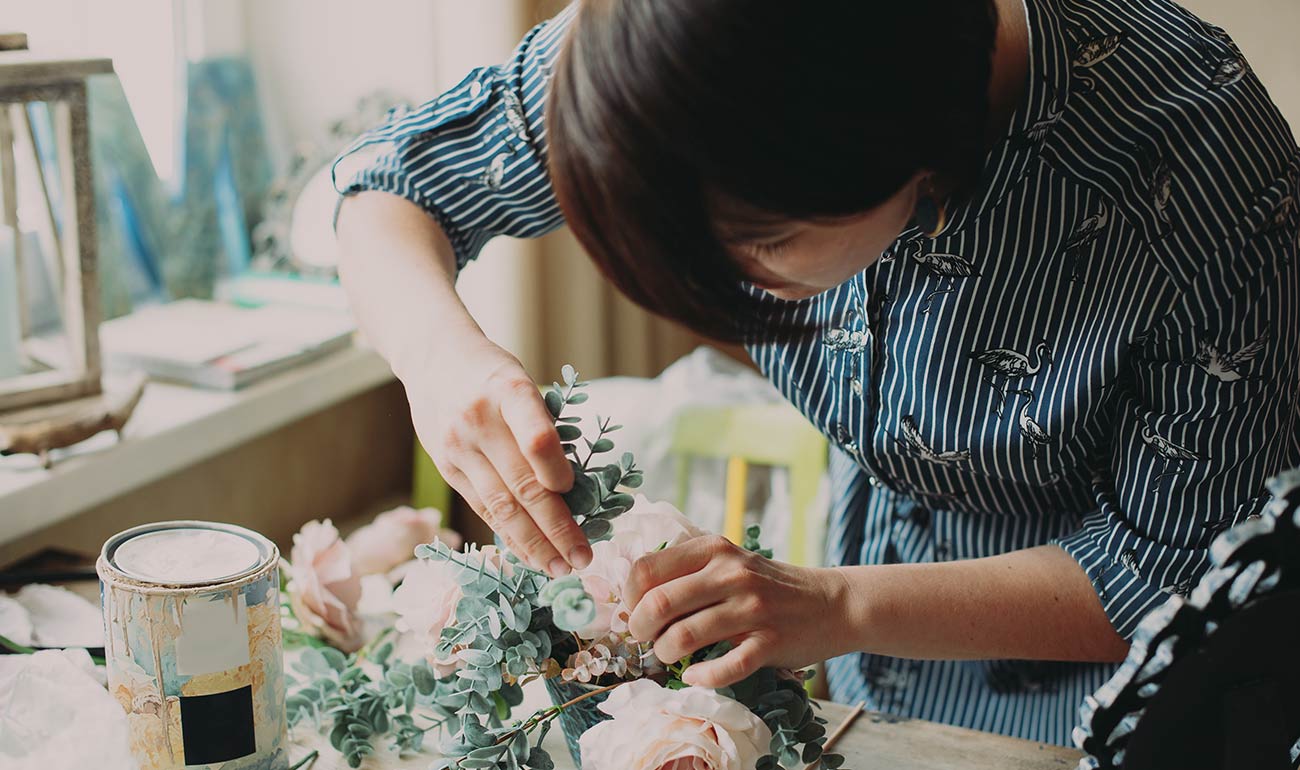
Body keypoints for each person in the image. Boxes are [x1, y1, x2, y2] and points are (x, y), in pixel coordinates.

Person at [334, 0, 1300, 745]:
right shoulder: (684, 47)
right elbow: (391, 181)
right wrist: (438, 359)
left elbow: (1172, 565)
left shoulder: (1200, 174)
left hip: (1109, 717)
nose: (726, 294)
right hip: (870, 695)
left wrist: (837, 605)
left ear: (913, 148)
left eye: (762, 247)